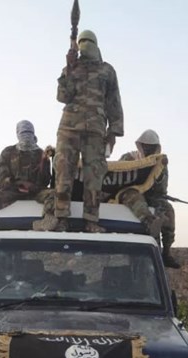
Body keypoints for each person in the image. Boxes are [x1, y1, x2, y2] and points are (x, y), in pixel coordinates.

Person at [34, 29, 123, 233]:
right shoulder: (73, 66)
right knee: (64, 172)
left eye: (88, 41)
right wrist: (69, 68)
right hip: (68, 128)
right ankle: (61, 218)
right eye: (81, 41)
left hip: (95, 130)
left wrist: (113, 133)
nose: (84, 45)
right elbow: (62, 96)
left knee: (94, 175)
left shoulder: (107, 70)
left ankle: (91, 220)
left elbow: (114, 102)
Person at [0, 120, 53, 239]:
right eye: (23, 132)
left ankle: (47, 222)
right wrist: (17, 183)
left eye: (29, 132)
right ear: (17, 134)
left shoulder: (41, 153)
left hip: (36, 192)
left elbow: (46, 181)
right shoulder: (8, 152)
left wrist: (44, 162)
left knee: (55, 195)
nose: (26, 136)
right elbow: (1, 178)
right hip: (12, 191)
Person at [119, 129, 180, 268]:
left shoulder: (160, 162)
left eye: (151, 147)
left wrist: (160, 170)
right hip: (129, 192)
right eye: (145, 146)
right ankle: (149, 222)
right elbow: (117, 178)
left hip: (152, 196)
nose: (147, 149)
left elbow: (161, 190)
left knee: (168, 209)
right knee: (135, 199)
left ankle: (167, 253)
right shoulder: (128, 158)